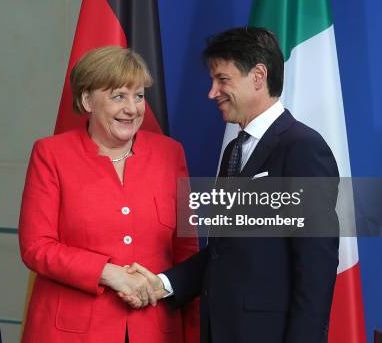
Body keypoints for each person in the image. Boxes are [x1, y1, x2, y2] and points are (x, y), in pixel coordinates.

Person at [121, 27, 339, 343]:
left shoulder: (302, 148)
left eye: (222, 80)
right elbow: (225, 250)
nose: (212, 92)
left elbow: (316, 263)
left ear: (259, 76)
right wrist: (163, 284)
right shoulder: (233, 151)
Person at [19, 46, 199, 343]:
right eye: (118, 96)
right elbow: (36, 246)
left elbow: (186, 251)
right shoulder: (51, 154)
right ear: (87, 100)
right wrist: (108, 273)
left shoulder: (170, 153)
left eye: (138, 96)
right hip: (71, 332)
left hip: (155, 330)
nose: (132, 108)